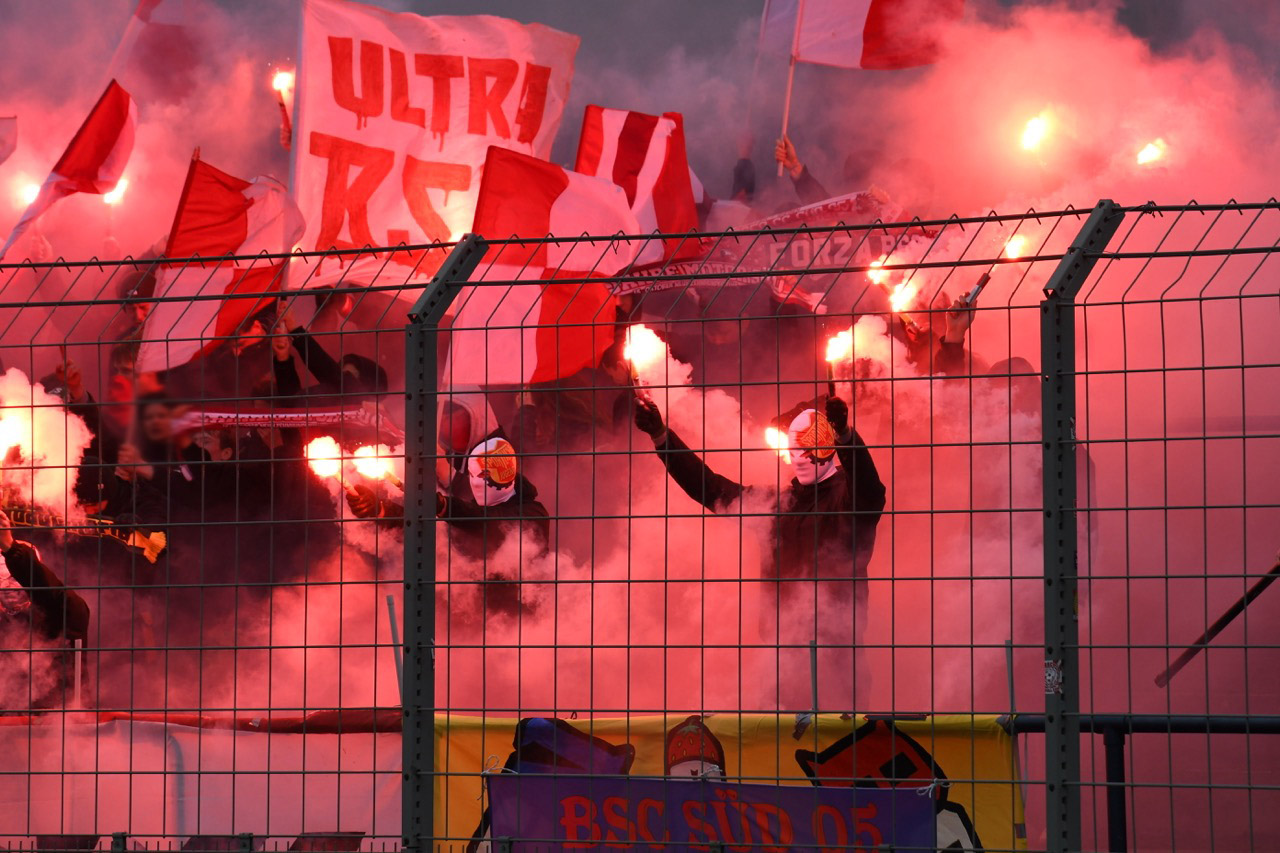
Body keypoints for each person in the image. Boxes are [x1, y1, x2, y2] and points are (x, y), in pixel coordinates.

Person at [633, 394, 886, 709]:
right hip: (782, 663)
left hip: (837, 659)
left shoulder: (850, 501)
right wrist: (662, 438)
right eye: (794, 447)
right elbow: (711, 488)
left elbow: (869, 487)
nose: (797, 456)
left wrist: (847, 437)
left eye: (805, 445)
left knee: (841, 752)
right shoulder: (778, 505)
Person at [347, 437, 550, 617]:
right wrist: (382, 510)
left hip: (518, 626)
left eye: (480, 476)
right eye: (471, 475)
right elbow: (434, 535)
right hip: (470, 621)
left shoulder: (533, 515)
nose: (474, 482)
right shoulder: (475, 510)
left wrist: (441, 505)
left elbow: (488, 523)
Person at [0, 509, 90, 708]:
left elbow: (53, 594)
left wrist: (10, 548)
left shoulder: (60, 612)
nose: (8, 585)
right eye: (2, 578)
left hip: (57, 720)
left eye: (15, 576)